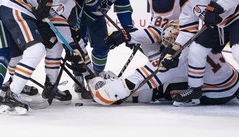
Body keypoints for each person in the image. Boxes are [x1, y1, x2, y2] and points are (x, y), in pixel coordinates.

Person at [0, 0, 96, 114]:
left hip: (24, 12)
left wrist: (71, 45)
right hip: (16, 6)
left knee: (53, 44)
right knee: (36, 50)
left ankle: (49, 85)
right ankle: (13, 93)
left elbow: (58, 18)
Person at [88, 20, 239, 106]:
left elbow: (138, 79)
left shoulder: (177, 58)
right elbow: (150, 36)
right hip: (232, 78)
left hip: (217, 92)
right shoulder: (198, 39)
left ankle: (192, 98)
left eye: (169, 41)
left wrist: (111, 88)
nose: (166, 45)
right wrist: (128, 36)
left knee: (164, 89)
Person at [159, 0, 239, 106]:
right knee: (196, 50)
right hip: (218, 25)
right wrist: (173, 51)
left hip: (236, 17)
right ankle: (195, 90)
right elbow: (187, 30)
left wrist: (217, 7)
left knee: (237, 52)